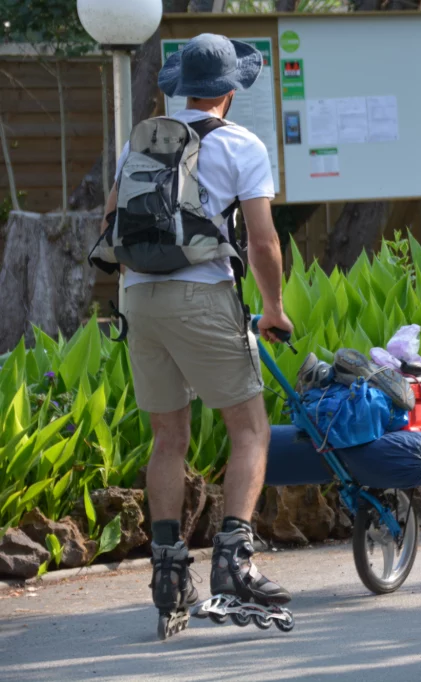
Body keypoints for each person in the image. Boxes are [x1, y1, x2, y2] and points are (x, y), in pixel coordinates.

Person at [96, 34, 294, 636]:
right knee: (250, 428)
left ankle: (166, 571)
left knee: (168, 438)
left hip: (138, 298)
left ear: (182, 87)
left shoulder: (145, 140)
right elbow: (261, 241)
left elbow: (109, 220)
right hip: (201, 294)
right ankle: (233, 560)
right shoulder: (241, 144)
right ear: (230, 93)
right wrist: (273, 307)